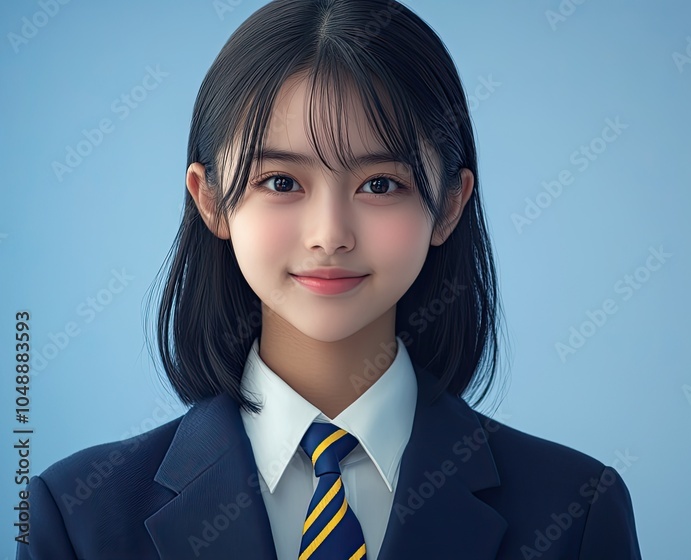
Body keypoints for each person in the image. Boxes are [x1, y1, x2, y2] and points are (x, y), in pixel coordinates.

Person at [16, 1, 641, 558]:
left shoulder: (574, 512)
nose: (330, 233)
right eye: (281, 182)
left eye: (380, 184)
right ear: (210, 201)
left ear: (450, 204)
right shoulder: (78, 516)